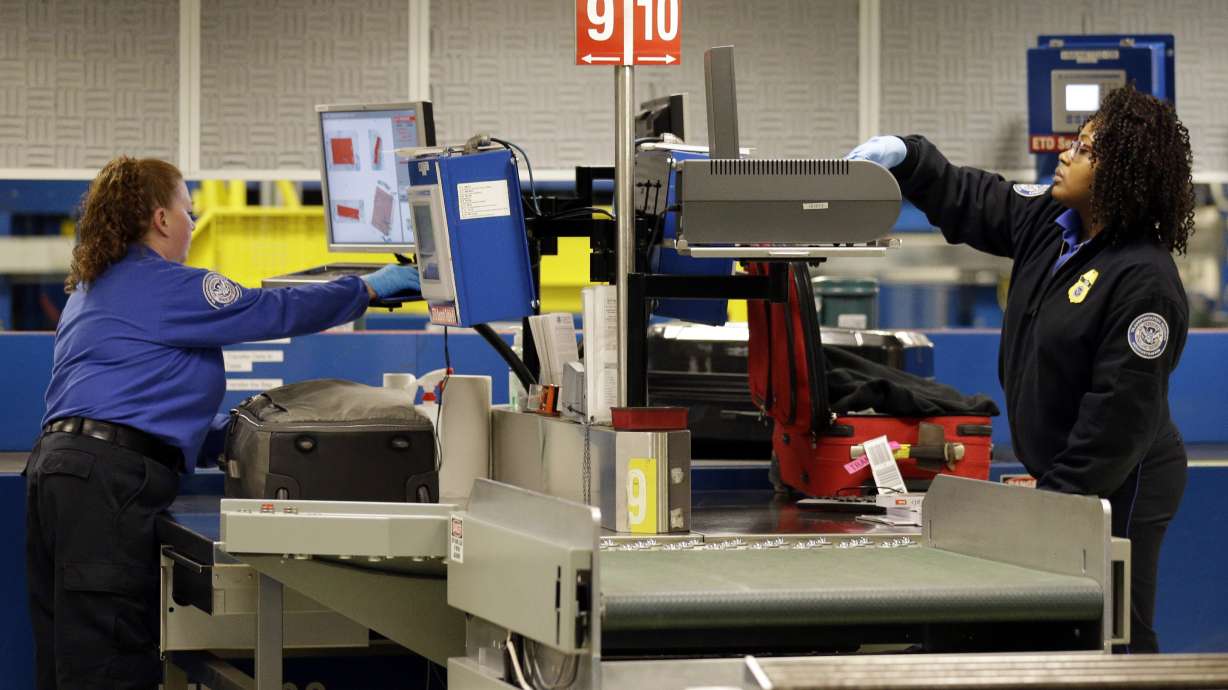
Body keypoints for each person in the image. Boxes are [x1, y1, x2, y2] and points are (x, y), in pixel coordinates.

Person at [25, 156, 419, 689]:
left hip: (57, 474)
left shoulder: (93, 288)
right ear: (161, 219)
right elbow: (271, 309)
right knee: (109, 665)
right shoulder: (170, 286)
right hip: (107, 485)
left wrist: (224, 435)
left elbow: (130, 395)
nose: (192, 223)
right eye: (188, 211)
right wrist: (365, 289)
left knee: (68, 658)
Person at [847, 83, 1193, 653]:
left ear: (1121, 172)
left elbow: (1117, 419)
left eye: (1085, 150)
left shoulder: (1143, 281)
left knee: (1115, 628)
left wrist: (1049, 503)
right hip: (1070, 472)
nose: (1065, 154)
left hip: (1125, 480)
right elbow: (975, 198)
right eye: (1075, 142)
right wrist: (910, 158)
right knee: (1060, 625)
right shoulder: (1052, 222)